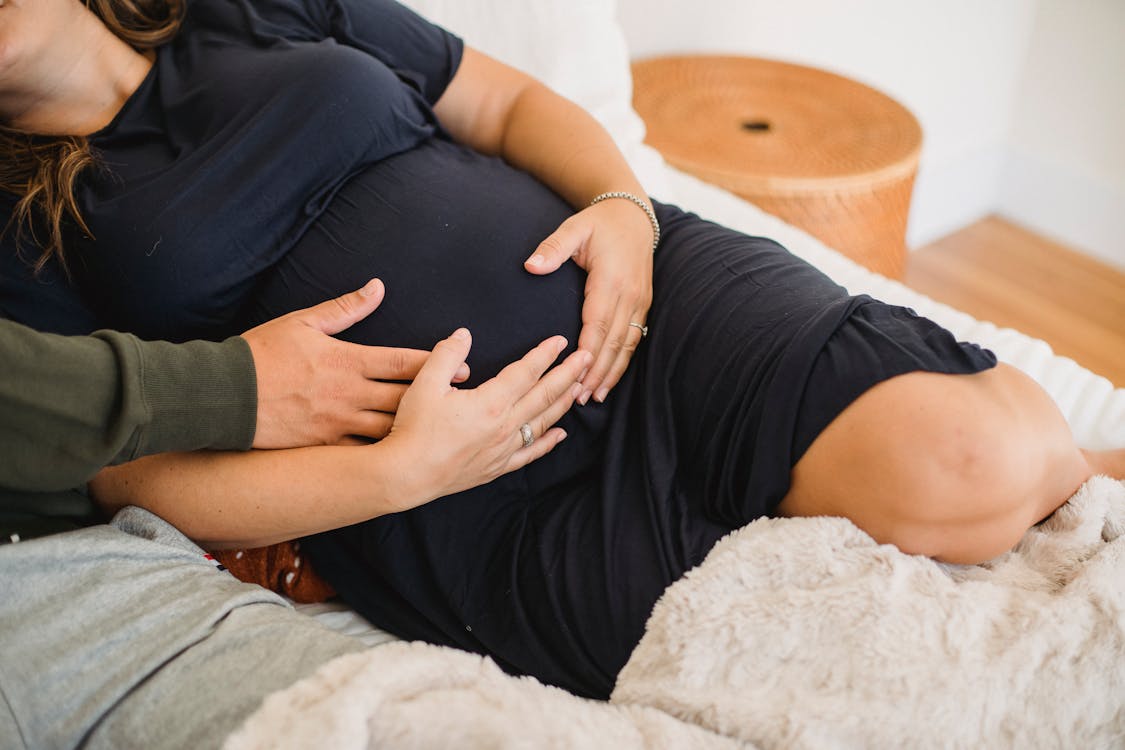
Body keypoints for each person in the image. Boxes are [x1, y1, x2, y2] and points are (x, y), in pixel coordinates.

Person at [2, 0, 1121, 700]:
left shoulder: (246, 7)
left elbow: (501, 99)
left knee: (980, 461)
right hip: (467, 496)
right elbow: (127, 472)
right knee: (866, 670)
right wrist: (397, 473)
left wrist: (623, 210)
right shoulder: (14, 223)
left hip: (647, 302)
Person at [0, 280, 585, 748]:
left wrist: (623, 204)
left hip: (104, 584)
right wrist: (238, 389)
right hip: (102, 566)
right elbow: (120, 470)